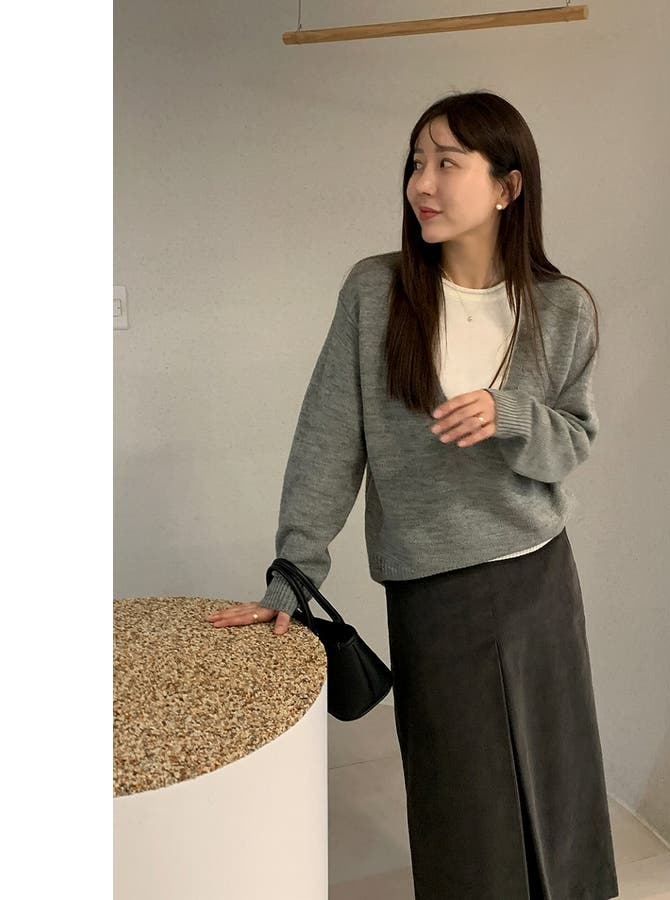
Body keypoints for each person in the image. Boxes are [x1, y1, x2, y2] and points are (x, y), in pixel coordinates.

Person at [207, 90, 619, 900]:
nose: (421, 183)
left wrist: (511, 415)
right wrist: (293, 574)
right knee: (458, 793)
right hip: (432, 586)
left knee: (557, 775)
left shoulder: (562, 307)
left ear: (507, 187)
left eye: (447, 163)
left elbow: (573, 442)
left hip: (537, 577)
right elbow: (329, 442)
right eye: (416, 162)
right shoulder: (377, 293)